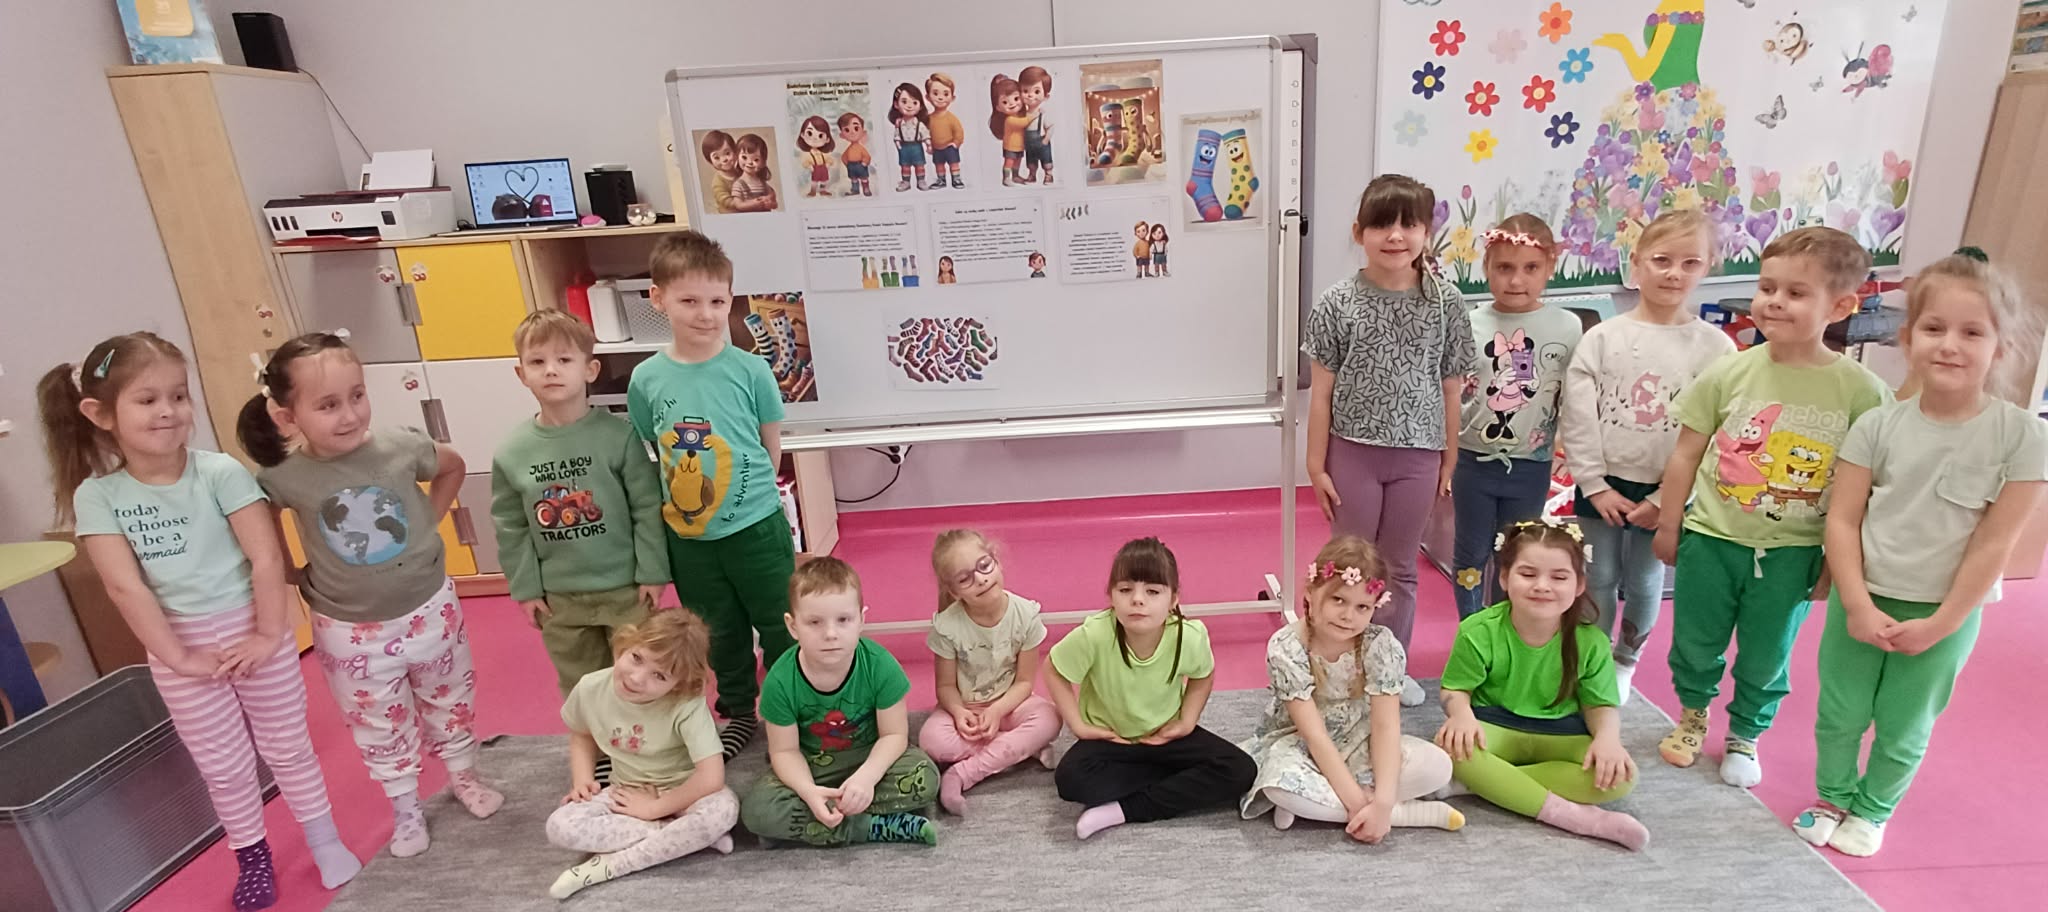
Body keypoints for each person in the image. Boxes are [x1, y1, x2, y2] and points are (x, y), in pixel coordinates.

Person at [38, 333, 361, 909]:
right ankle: (252, 857)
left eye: (179, 396)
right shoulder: (98, 496)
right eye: (147, 400)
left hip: (255, 631)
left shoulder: (220, 473)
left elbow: (266, 558)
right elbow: (125, 586)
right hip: (180, 647)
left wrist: (267, 634)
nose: (168, 411)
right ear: (101, 414)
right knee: (225, 766)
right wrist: (178, 656)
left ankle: (324, 839)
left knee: (288, 747)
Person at [1794, 254, 2047, 856]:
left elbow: (1995, 541)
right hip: (1863, 597)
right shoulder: (1877, 426)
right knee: (1841, 711)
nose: (1950, 345)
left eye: (1972, 332)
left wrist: (1944, 622)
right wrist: (1856, 602)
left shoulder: (2022, 437)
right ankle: (1832, 796)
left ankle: (1872, 810)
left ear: (2003, 349)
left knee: (1906, 722)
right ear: (1908, 339)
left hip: (1945, 610)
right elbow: (1844, 519)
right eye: (1934, 328)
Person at [238, 332, 502, 858]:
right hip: (349, 628)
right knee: (377, 720)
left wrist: (428, 519)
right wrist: (287, 570)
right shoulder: (284, 476)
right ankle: (405, 808)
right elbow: (260, 520)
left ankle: (464, 776)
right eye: (328, 405)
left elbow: (451, 466)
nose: (350, 415)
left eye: (357, 395)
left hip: (429, 607)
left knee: (449, 696)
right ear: (287, 416)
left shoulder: (400, 446)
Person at [1653, 226, 1890, 788]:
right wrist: (1669, 523)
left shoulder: (1862, 392)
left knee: (1767, 652)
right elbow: (1686, 453)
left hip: (1794, 551)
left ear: (1841, 307)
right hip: (1712, 537)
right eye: (1767, 288)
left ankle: (1746, 732)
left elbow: (1864, 492)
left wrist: (1839, 565)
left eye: (1796, 293)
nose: (1775, 302)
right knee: (1695, 641)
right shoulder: (1731, 369)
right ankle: (1692, 713)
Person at [1306, 174, 1478, 702]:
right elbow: (1320, 393)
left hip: (1418, 456)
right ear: (1359, 232)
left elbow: (1451, 389)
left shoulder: (1446, 303)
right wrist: (1316, 465)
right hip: (1352, 454)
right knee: (1348, 565)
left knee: (1400, 568)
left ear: (1427, 233)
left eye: (1410, 225)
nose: (1396, 236)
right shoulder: (1337, 302)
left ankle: (1388, 669)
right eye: (1382, 224)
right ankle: (1336, 662)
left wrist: (1449, 460)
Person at [628, 231, 797, 759]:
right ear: (658, 299)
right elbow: (653, 446)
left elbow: (770, 445)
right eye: (689, 301)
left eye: (717, 302)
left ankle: (793, 708)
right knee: (718, 632)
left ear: (730, 300)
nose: (705, 315)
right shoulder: (646, 378)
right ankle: (740, 711)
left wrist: (748, 499)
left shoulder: (751, 370)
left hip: (757, 529)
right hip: (690, 539)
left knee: (781, 623)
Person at [1560, 209, 1735, 700]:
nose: (1674, 273)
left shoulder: (1717, 349)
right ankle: (1591, 657)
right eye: (1661, 260)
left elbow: (1720, 433)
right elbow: (1578, 414)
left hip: (1667, 488)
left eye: (1689, 262)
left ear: (1708, 266)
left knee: (1644, 577)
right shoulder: (1603, 338)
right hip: (1603, 481)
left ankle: (1625, 660)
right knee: (1597, 574)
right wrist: (1594, 484)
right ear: (1635, 263)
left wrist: (1667, 498)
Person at [490, 309, 668, 703]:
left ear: (590, 369)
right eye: (538, 362)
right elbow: (511, 527)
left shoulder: (619, 436)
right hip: (561, 599)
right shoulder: (512, 452)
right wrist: (525, 589)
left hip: (626, 590)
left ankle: (646, 736)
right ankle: (595, 738)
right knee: (582, 686)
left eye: (564, 359)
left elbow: (646, 508)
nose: (551, 370)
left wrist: (653, 572)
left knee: (642, 676)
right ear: (521, 374)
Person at [1436, 520, 1647, 850]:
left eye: (1559, 577)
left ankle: (1487, 783)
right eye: (1528, 574)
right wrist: (1461, 715)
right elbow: (1454, 689)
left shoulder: (1591, 641)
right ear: (1504, 578)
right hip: (1495, 727)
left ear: (1579, 584)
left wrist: (1608, 740)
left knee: (1623, 775)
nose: (1542, 586)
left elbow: (1599, 705)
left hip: (1562, 734)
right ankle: (1574, 817)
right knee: (1450, 748)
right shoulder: (1478, 630)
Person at [1239, 535, 1463, 842]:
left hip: (1363, 738)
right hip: (1302, 742)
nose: (1348, 616)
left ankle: (1330, 808)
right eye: (1338, 600)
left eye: (1362, 607)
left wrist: (1382, 802)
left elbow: (1385, 727)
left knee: (1438, 767)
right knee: (1279, 786)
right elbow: (1314, 736)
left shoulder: (1380, 645)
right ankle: (1401, 815)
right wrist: (1360, 803)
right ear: (1311, 593)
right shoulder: (1287, 647)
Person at [1048, 537, 1256, 840]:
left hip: (1164, 736)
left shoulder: (1189, 636)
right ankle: (1178, 781)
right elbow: (1054, 670)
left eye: (1153, 591)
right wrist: (1078, 725)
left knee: (1241, 770)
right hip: (1113, 740)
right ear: (1110, 595)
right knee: (1070, 780)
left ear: (1173, 599)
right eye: (1125, 590)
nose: (1137, 600)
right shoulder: (1095, 634)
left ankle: (1122, 811)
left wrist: (1187, 722)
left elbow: (1203, 676)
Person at [738, 558, 941, 847]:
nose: (831, 634)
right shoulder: (780, 681)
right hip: (811, 766)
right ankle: (871, 826)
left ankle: (811, 825)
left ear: (861, 620)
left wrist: (867, 778)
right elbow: (784, 751)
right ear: (793, 626)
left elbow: (894, 735)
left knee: (925, 777)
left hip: (870, 757)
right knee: (757, 810)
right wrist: (808, 791)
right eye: (814, 622)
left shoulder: (881, 665)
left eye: (843, 620)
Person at [546, 611, 737, 898]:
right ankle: (685, 836)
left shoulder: (686, 702)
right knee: (560, 826)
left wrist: (653, 809)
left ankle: (608, 866)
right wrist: (582, 779)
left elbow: (711, 777)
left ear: (680, 683)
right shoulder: (590, 687)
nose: (636, 678)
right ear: (627, 642)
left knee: (724, 809)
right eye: (636, 658)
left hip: (684, 792)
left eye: (659, 675)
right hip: (626, 791)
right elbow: (582, 734)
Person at [1451, 213, 1582, 619]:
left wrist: (1566, 444)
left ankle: (1507, 628)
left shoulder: (1568, 327)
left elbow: (1574, 395)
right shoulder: (1468, 323)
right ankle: (1473, 629)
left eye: (1530, 268)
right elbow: (1450, 391)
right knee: (1471, 552)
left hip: (1531, 463)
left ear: (1550, 268)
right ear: (1487, 267)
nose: (1515, 280)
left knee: (1516, 552)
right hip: (1471, 460)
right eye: (1504, 268)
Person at [917, 529, 1060, 815]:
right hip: (966, 710)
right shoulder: (948, 626)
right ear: (953, 591)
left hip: (1011, 704)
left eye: (984, 566)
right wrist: (959, 712)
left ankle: (963, 773)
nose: (980, 579)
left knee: (1051, 717)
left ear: (997, 561)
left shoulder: (1025, 615)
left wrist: (996, 711)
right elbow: (945, 687)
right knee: (931, 741)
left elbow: (1024, 682)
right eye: (964, 579)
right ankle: (1020, 750)